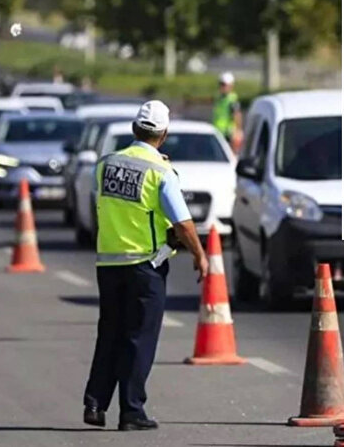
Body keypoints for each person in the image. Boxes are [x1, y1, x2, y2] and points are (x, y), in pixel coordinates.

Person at [83, 100, 209, 431]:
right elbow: (182, 223)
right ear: (163, 135)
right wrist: (200, 255)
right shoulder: (160, 172)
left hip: (108, 263)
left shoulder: (106, 165)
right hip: (144, 265)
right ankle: (131, 411)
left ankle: (95, 404)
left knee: (109, 333)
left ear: (133, 129)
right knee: (139, 338)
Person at [212, 71, 243, 152]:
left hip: (227, 134)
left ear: (231, 86)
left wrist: (237, 132)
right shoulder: (219, 98)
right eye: (221, 84)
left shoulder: (232, 100)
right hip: (217, 131)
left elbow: (237, 116)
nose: (222, 87)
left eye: (224, 85)